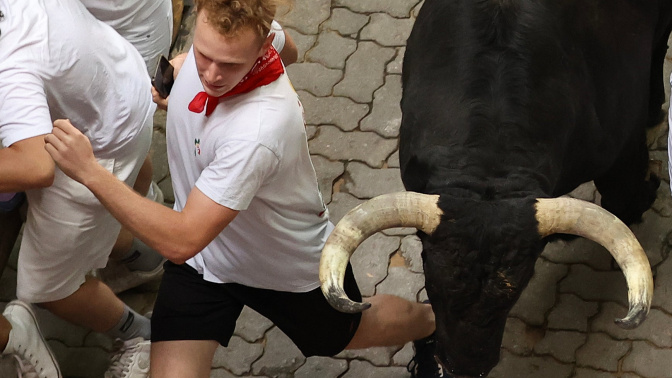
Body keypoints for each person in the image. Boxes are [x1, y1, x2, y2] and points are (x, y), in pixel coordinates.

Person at [45, 0, 442, 377]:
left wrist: (91, 172)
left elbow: (181, 240)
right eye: (203, 55)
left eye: (230, 64)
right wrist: (183, 85)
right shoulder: (246, 26)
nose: (212, 75)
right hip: (205, 263)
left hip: (280, 268)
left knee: (349, 333)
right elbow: (292, 51)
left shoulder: (256, 134)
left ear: (260, 46)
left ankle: (436, 324)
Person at [0, 0, 156, 376]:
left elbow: (36, 168)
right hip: (120, 87)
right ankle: (144, 261)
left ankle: (142, 336)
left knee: (48, 286)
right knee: (93, 228)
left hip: (99, 144)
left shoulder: (10, 66)